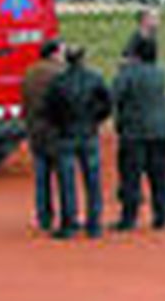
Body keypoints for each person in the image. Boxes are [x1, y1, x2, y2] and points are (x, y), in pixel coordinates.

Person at [44, 44, 112, 239]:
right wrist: (95, 120)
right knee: (92, 181)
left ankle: (69, 224)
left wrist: (60, 125)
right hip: (88, 134)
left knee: (67, 182)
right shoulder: (95, 78)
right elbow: (107, 104)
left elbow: (50, 109)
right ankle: (94, 224)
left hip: (66, 135)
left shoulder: (58, 82)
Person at [111, 36, 165, 232]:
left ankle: (129, 218)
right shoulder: (160, 73)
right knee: (159, 175)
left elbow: (113, 96)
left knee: (131, 176)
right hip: (161, 130)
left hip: (134, 131)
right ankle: (161, 216)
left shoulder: (127, 74)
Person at [20, 38, 65, 235]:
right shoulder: (59, 74)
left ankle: (44, 217)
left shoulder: (29, 73)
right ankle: (66, 216)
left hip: (36, 131)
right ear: (54, 53)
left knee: (42, 178)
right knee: (63, 177)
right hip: (56, 131)